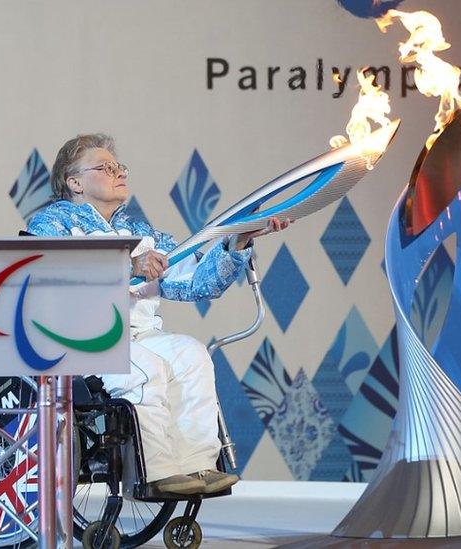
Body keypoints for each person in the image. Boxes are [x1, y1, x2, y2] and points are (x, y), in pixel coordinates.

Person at [26, 133, 289, 495]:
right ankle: (158, 473)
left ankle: (198, 467)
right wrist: (128, 265)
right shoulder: (50, 224)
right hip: (81, 339)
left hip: (141, 334)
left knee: (191, 355)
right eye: (105, 168)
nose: (119, 173)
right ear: (74, 182)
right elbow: (54, 274)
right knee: (147, 366)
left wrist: (239, 240)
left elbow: (197, 284)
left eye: (120, 167)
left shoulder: (141, 231)